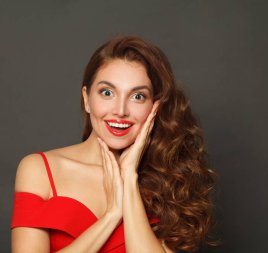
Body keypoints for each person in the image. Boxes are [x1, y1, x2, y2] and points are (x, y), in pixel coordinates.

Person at [11, 36, 216, 252]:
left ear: (154, 108)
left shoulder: (168, 181)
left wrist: (129, 179)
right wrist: (111, 216)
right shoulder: (39, 169)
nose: (120, 110)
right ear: (87, 99)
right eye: (107, 92)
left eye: (138, 96)